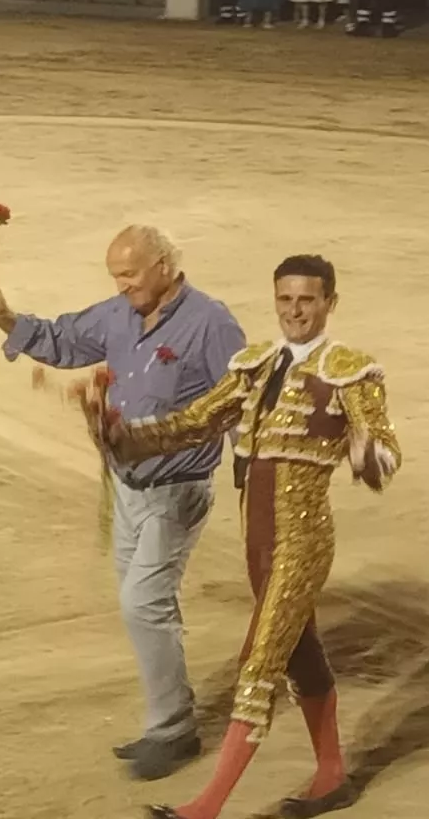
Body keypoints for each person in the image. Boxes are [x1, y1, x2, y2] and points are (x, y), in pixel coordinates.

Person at [81, 254, 398, 819]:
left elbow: (384, 448)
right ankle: (332, 776)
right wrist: (120, 432)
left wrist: (365, 453)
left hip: (302, 543)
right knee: (301, 656)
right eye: (285, 300)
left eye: (307, 300)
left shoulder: (351, 370)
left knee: (258, 664)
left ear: (329, 303)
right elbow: (195, 421)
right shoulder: (254, 365)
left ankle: (206, 808)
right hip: (258, 541)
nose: (295, 311)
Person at [0, 225, 247, 783]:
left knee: (143, 603)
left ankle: (173, 731)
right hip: (124, 486)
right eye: (115, 276)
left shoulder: (212, 324)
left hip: (177, 489)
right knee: (144, 604)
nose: (121, 286)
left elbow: (238, 402)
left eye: (130, 274)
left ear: (166, 266)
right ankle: (165, 721)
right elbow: (65, 339)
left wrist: (253, 472)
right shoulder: (119, 314)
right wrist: (6, 317)